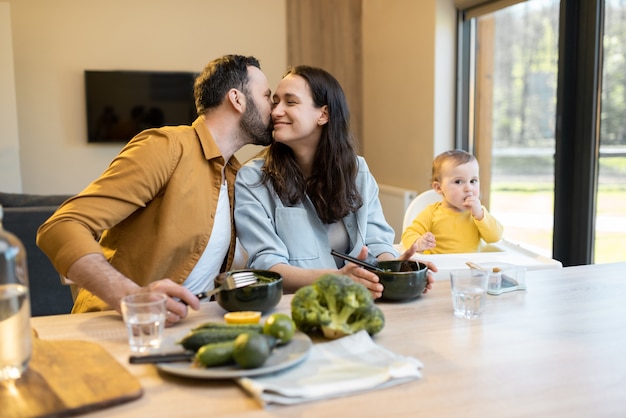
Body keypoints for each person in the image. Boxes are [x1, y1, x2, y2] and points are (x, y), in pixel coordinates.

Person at [37, 55, 274, 326]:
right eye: (267, 96)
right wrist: (131, 297)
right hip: (122, 328)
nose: (273, 108)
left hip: (182, 330)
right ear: (237, 99)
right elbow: (61, 226)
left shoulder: (235, 174)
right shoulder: (166, 147)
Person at [234, 65, 435, 299]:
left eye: (290, 102)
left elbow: (378, 244)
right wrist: (335, 279)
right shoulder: (253, 179)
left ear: (324, 114)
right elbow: (268, 267)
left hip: (358, 303)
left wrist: (397, 272)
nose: (276, 111)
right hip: (296, 307)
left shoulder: (357, 170)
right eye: (275, 102)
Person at [401, 149, 503, 253]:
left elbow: (495, 237)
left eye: (473, 181)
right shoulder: (431, 213)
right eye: (458, 182)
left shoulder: (478, 214)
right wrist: (419, 243)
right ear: (438, 188)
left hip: (470, 267)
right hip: (439, 267)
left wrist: (480, 215)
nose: (469, 188)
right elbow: (408, 234)